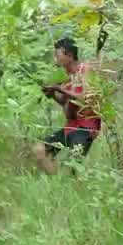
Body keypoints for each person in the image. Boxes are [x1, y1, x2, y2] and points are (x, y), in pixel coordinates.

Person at [32, 37, 102, 174]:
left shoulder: (85, 70)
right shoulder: (66, 77)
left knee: (74, 167)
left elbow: (86, 98)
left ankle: (73, 186)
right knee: (39, 150)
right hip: (70, 126)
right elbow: (66, 103)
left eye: (58, 55)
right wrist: (52, 94)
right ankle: (56, 184)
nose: (55, 59)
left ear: (69, 55)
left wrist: (59, 89)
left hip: (85, 128)